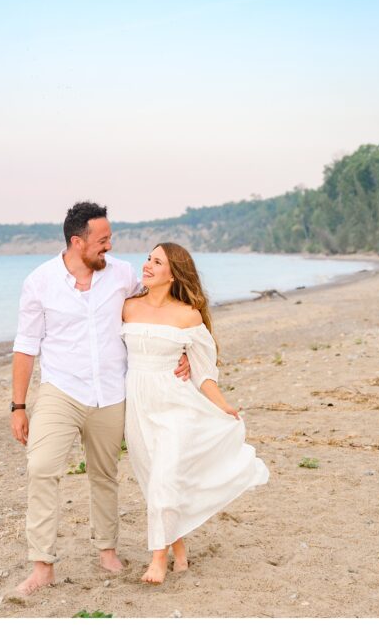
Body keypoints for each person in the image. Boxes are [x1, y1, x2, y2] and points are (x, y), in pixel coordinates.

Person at [10, 202, 190, 596]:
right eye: (102, 240)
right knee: (41, 467)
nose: (110, 246)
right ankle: (42, 565)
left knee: (104, 474)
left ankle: (106, 550)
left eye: (110, 238)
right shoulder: (39, 282)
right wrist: (18, 406)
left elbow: (164, 305)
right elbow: (26, 346)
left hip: (111, 391)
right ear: (78, 241)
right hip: (61, 389)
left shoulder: (124, 275)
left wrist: (185, 350)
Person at [121, 242, 270, 584]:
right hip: (138, 408)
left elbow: (203, 370)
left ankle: (157, 561)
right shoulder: (127, 308)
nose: (146, 265)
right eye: (147, 258)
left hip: (175, 405)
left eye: (156, 262)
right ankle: (179, 551)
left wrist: (222, 405)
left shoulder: (188, 315)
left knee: (164, 478)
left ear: (173, 273)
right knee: (153, 480)